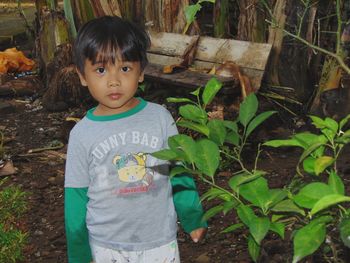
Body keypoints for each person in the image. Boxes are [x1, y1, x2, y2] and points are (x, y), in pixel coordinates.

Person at [64, 16, 207, 263]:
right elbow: (76, 196)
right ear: (82, 76)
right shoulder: (81, 134)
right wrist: (78, 252)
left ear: (141, 72)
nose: (113, 81)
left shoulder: (160, 119)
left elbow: (178, 170)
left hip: (159, 242)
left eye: (125, 68)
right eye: (100, 70)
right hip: (106, 247)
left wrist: (192, 216)